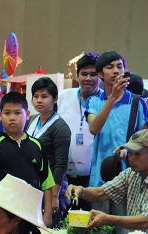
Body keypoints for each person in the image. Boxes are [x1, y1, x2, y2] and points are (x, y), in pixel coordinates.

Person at [66, 129, 148, 234]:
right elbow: (101, 193)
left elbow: (146, 221)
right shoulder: (131, 174)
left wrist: (108, 219)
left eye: (137, 154)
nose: (131, 158)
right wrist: (81, 190)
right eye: (130, 153)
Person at [0, 91, 55, 234]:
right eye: (7, 113)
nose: (12, 118)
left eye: (17, 113)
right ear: (0, 114)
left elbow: (47, 184)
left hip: (32, 214)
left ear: (27, 114)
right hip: (3, 215)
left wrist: (47, 213)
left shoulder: (37, 146)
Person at [85, 51, 148, 215]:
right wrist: (112, 99)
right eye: (110, 67)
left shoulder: (137, 101)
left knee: (126, 232)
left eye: (119, 66)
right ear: (100, 74)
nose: (116, 71)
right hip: (101, 176)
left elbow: (145, 138)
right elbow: (94, 128)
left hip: (131, 176)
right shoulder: (94, 101)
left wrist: (129, 149)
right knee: (100, 232)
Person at [57, 52, 101, 212]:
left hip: (94, 179)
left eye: (93, 74)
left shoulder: (106, 101)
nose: (88, 78)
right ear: (77, 75)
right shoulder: (63, 97)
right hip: (64, 176)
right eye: (84, 74)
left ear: (100, 76)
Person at [26, 77, 71, 223]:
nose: (39, 100)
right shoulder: (32, 120)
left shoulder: (60, 127)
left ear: (55, 98)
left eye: (44, 96)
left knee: (49, 232)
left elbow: (61, 164)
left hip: (52, 186)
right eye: (36, 96)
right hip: (34, 185)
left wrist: (54, 197)